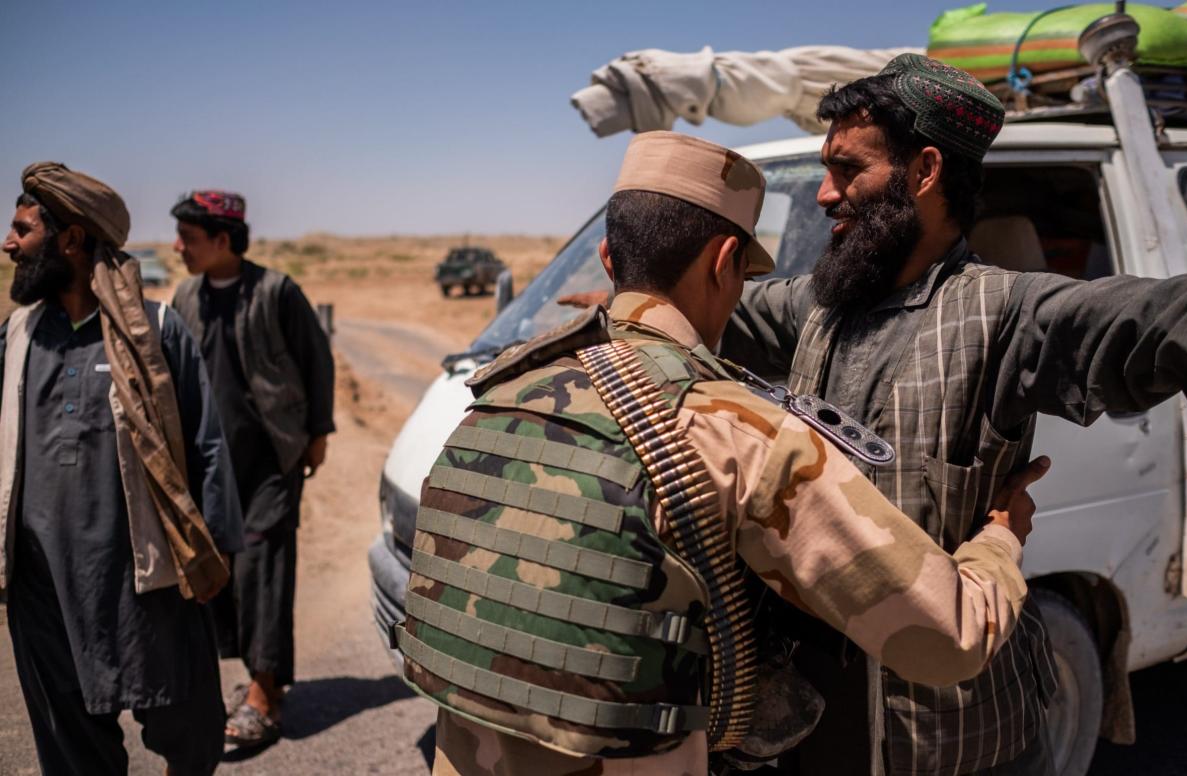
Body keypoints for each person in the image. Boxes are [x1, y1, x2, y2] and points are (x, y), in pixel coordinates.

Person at [394, 131, 1053, 776]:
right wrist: (999, 539)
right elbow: (947, 637)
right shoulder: (738, 434)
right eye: (744, 273)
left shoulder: (503, 389)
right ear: (723, 262)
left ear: (605, 256)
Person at [722, 54, 1187, 775]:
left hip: (945, 734)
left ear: (925, 171)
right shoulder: (819, 307)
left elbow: (1177, 323)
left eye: (847, 169)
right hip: (815, 718)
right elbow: (713, 308)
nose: (823, 195)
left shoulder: (1010, 314)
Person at [1, 162, 243, 774]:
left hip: (147, 583)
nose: (9, 244)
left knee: (190, 731)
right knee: (72, 749)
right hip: (44, 589)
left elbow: (208, 446)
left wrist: (213, 563)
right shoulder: (17, 336)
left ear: (72, 240)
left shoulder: (158, 331)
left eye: (22, 231)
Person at [170, 190, 335, 749]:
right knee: (223, 578)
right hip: (211, 465)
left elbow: (317, 360)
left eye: (188, 239)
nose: (177, 248)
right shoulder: (185, 296)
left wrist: (317, 434)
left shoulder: (275, 290)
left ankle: (264, 696)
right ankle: (254, 676)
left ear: (222, 240)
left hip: (270, 461)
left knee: (262, 571)